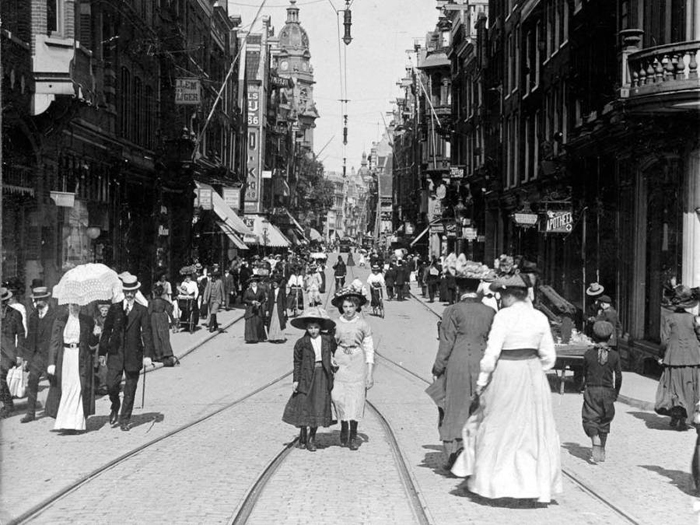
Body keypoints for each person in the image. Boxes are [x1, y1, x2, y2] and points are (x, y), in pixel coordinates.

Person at [452, 273, 562, 504]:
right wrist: (532, 368)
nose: (501, 299)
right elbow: (549, 357)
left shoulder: (503, 317)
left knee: (497, 426)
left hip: (506, 373)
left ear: (510, 295)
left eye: (502, 295)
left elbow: (491, 354)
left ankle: (495, 484)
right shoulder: (540, 318)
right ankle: (532, 486)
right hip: (532, 375)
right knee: (532, 430)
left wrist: (482, 383)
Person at [432, 276, 496, 469]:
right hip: (483, 361)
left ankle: (454, 454)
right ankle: (476, 455)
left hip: (458, 362)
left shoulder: (452, 310)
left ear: (459, 289)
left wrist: (437, 367)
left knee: (454, 407)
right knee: (479, 408)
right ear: (478, 288)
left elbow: (446, 342)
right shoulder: (490, 311)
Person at [99, 273, 155, 431]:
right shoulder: (115, 308)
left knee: (130, 389)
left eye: (132, 292)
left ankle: (125, 419)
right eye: (127, 291)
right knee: (111, 385)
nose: (129, 294)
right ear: (123, 291)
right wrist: (102, 352)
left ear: (136, 292)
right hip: (116, 353)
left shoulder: (142, 310)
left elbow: (147, 334)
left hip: (134, 354)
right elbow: (106, 331)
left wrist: (148, 355)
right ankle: (115, 405)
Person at [282, 307, 337, 451]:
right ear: (306, 328)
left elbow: (335, 347)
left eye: (316, 327)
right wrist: (296, 380)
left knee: (318, 406)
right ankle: (302, 434)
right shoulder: (301, 343)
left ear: (321, 328)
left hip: (322, 376)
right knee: (304, 406)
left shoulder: (326, 340)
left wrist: (333, 360)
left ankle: (312, 437)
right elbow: (297, 362)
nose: (313, 330)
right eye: (310, 327)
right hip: (306, 377)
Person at [331, 287, 375, 450]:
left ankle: (353, 434)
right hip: (340, 360)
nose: (348, 310)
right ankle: (343, 426)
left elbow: (369, 349)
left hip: (357, 361)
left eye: (351, 306)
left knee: (355, 398)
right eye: (345, 306)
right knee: (339, 396)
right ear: (341, 307)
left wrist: (369, 373)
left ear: (357, 306)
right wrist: (331, 359)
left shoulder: (363, 324)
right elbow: (329, 345)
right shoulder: (335, 324)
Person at [655, 284, 700, 430]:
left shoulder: (669, 318)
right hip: (692, 357)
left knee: (674, 387)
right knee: (689, 386)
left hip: (674, 357)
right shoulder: (693, 319)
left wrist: (661, 355)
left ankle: (676, 416)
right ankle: (686, 417)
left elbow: (664, 339)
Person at [47, 303, 97, 432]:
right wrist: (51, 362)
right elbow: (54, 342)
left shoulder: (87, 320)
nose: (74, 307)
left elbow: (91, 343)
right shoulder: (60, 320)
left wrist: (96, 334)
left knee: (78, 386)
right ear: (68, 306)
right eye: (72, 304)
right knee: (66, 386)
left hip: (80, 357)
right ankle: (64, 422)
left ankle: (77, 424)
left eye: (77, 305)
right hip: (65, 357)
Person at [581, 321, 622, 462]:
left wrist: (583, 387)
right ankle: (601, 450)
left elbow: (584, 374)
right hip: (607, 391)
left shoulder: (588, 354)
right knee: (605, 420)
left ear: (593, 336)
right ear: (610, 336)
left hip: (592, 390)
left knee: (590, 418)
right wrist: (616, 392)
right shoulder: (615, 355)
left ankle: (594, 439)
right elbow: (619, 376)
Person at [21, 286, 58, 423]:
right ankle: (30, 413)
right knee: (32, 381)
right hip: (37, 356)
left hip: (50, 356)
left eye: (40, 299)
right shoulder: (33, 316)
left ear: (46, 299)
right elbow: (30, 339)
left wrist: (55, 357)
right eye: (36, 299)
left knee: (55, 382)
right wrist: (27, 358)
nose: (37, 302)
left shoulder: (54, 316)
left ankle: (56, 410)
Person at [1, 287, 25, 418]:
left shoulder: (15, 314)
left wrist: (20, 355)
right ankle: (8, 404)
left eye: (4, 301)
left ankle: (8, 405)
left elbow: (21, 335)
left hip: (8, 353)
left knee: (0, 377)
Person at [149, 285, 175, 362]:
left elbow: (149, 312)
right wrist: (173, 322)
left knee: (155, 335)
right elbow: (170, 311)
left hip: (154, 318)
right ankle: (167, 353)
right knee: (164, 335)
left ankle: (157, 355)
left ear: (154, 293)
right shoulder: (164, 301)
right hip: (163, 318)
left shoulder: (152, 302)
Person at [243, 276, 267, 343]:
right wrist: (251, 302)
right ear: (251, 283)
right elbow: (244, 299)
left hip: (258, 309)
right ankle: (250, 338)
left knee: (258, 322)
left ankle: (259, 337)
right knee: (250, 323)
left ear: (257, 283)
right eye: (253, 282)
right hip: (250, 309)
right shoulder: (248, 291)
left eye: (255, 282)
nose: (254, 283)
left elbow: (263, 298)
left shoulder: (261, 290)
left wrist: (260, 303)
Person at [266, 276, 288, 343]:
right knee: (272, 322)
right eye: (273, 284)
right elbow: (269, 301)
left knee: (279, 322)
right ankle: (272, 337)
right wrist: (267, 310)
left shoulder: (282, 291)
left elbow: (284, 301)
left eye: (276, 284)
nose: (274, 285)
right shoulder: (271, 291)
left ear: (278, 284)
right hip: (272, 307)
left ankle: (279, 337)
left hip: (280, 307)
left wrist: (284, 310)